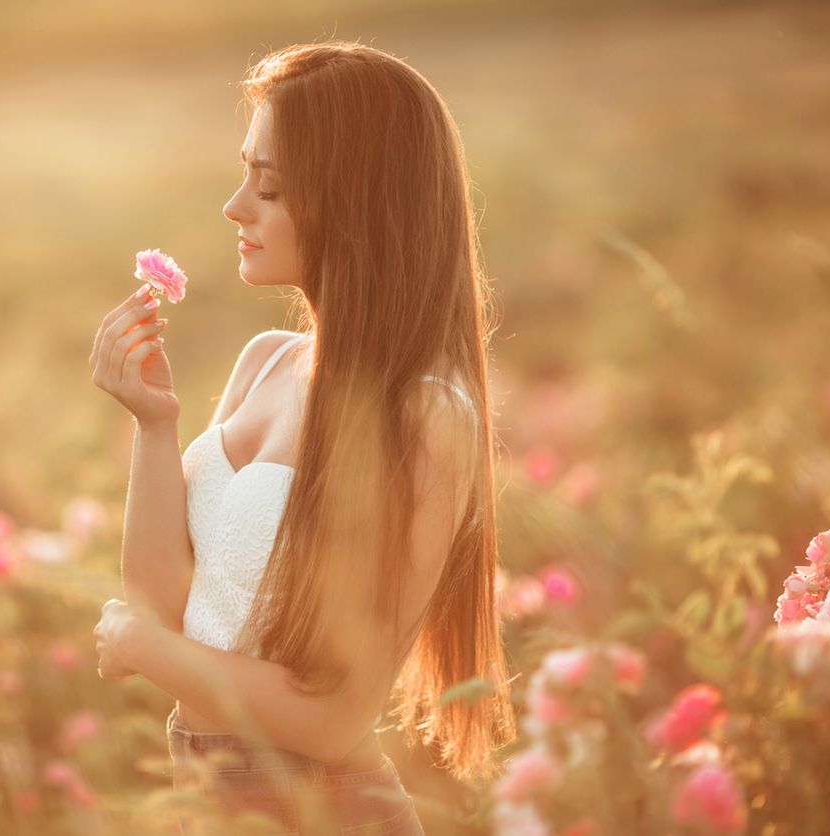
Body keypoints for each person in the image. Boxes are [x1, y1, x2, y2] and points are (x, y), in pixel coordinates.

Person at [89, 39, 515, 835]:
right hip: (207, 795)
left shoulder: (424, 417)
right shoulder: (262, 364)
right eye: (245, 173)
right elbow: (163, 602)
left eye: (271, 187)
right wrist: (154, 425)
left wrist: (147, 650)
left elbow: (333, 717)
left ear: (354, 204)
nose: (235, 206)